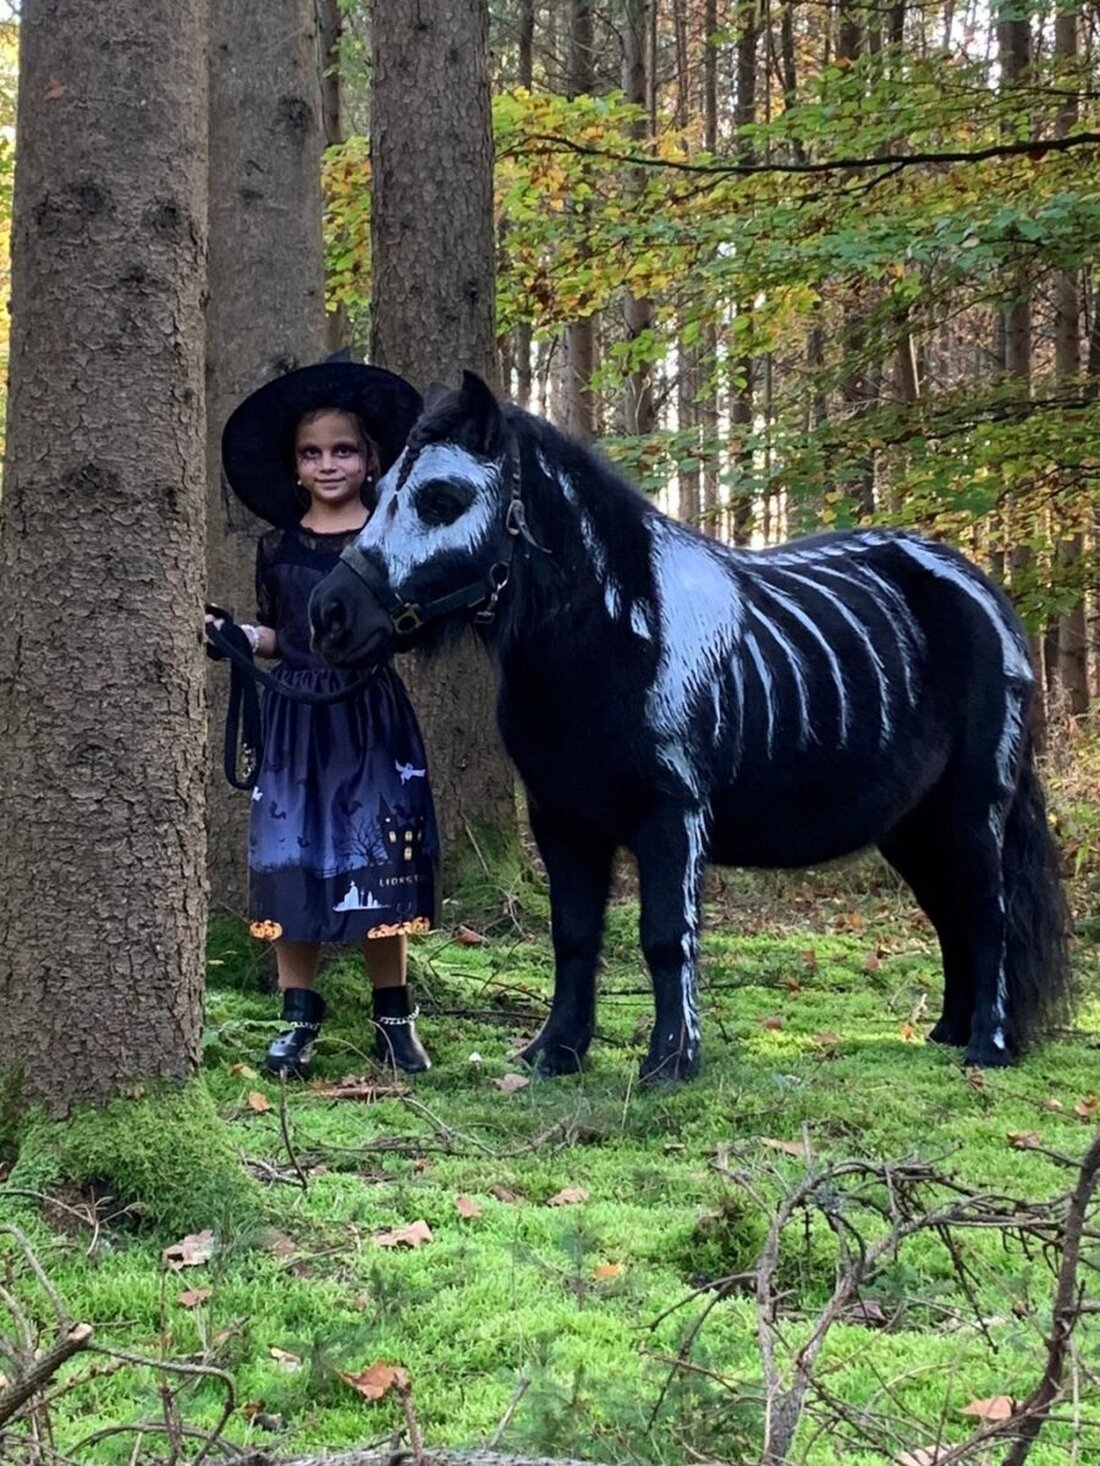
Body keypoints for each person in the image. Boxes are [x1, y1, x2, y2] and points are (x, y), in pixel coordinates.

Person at [207, 360, 438, 1078]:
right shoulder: (278, 545)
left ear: (370, 460)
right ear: (296, 466)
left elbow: (411, 625)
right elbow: (282, 636)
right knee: (292, 866)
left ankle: (394, 1021)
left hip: (369, 718)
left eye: (343, 449)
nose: (328, 463)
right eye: (313, 453)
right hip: (295, 724)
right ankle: (297, 1020)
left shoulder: (387, 540)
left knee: (381, 867)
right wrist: (241, 639)